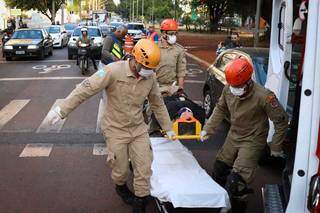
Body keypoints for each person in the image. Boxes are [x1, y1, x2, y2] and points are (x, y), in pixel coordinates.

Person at [47, 39, 176, 213]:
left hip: (138, 129)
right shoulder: (112, 71)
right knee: (121, 170)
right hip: (115, 129)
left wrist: (168, 128)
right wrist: (61, 110)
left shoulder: (150, 76)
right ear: (135, 59)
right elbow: (85, 89)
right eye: (146, 67)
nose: (149, 71)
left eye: (152, 68)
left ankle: (140, 202)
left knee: (144, 168)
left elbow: (157, 104)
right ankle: (121, 187)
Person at [199, 58, 288, 212]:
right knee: (219, 170)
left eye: (238, 86)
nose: (234, 89)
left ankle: (237, 208)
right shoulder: (229, 89)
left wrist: (275, 145)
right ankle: (219, 203)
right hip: (234, 134)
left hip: (253, 140)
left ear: (247, 82)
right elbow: (220, 108)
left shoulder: (264, 96)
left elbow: (281, 121)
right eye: (232, 85)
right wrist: (208, 128)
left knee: (237, 182)